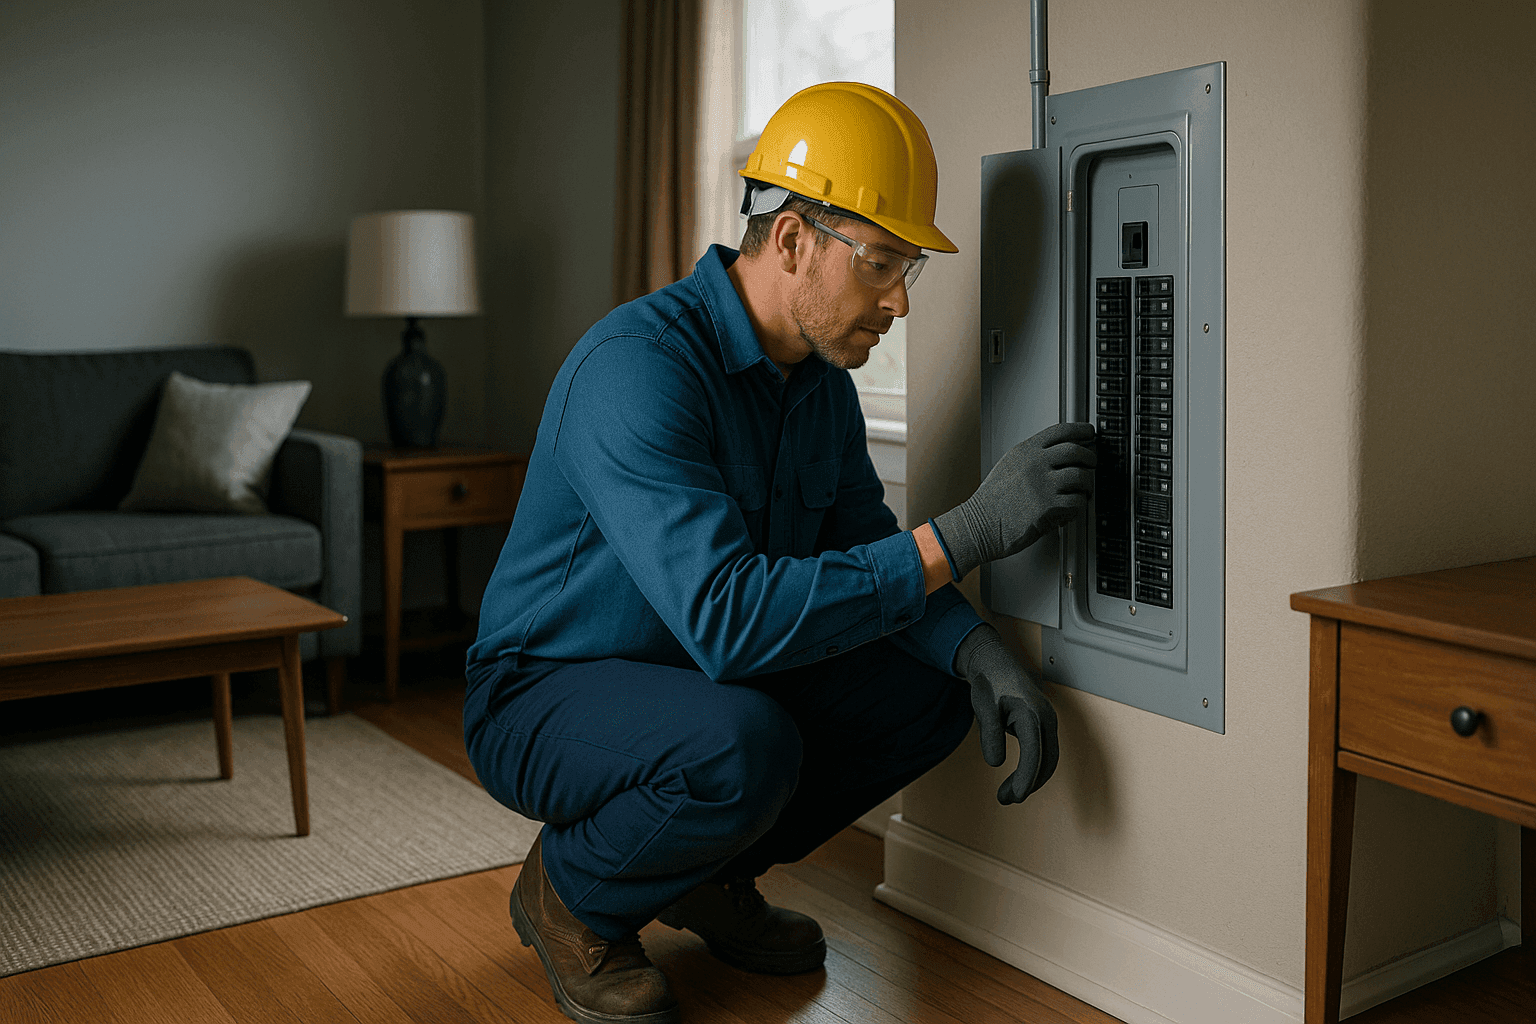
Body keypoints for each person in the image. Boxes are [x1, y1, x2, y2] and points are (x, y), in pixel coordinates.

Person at [464, 81, 1096, 1024]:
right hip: (546, 691)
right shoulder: (636, 368)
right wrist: (969, 531)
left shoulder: (818, 387)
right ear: (794, 238)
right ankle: (572, 894)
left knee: (927, 690)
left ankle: (707, 875)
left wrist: (976, 649)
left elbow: (862, 551)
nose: (898, 302)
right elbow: (728, 618)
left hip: (698, 682)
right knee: (743, 745)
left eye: (907, 269)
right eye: (881, 262)